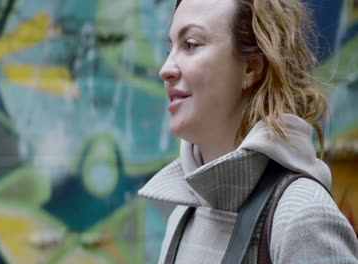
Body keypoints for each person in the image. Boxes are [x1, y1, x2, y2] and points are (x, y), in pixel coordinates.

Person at [138, 0, 358, 263]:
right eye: (170, 47)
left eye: (191, 44)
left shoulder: (301, 216)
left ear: (251, 67)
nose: (166, 69)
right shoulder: (184, 213)